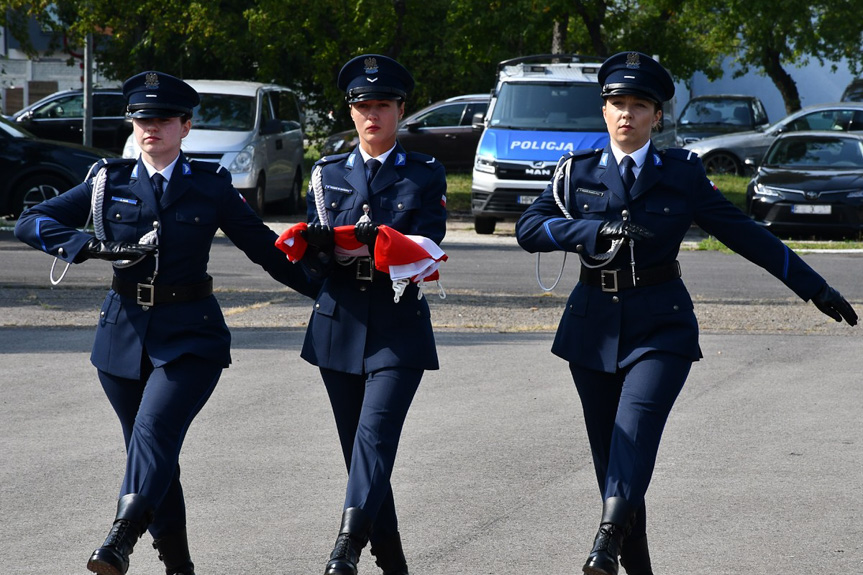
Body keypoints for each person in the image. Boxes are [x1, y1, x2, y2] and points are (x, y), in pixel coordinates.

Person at [515, 51, 857, 575]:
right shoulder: (575, 171)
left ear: (658, 116)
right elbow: (528, 229)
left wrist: (814, 286)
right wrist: (591, 231)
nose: (626, 114)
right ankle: (631, 562)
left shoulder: (683, 173)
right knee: (614, 461)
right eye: (616, 103)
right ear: (604, 111)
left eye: (638, 105)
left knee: (635, 432)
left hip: (660, 326)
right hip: (591, 329)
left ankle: (605, 540)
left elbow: (746, 235)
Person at [14, 71, 318, 575]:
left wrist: (327, 293)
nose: (149, 127)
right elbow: (31, 220)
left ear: (185, 126)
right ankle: (179, 567)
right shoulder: (107, 180)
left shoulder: (211, 185)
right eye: (141, 118)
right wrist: (87, 245)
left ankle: (119, 537)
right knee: (155, 456)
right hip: (121, 337)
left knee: (154, 433)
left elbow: (266, 250)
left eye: (161, 119)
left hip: (190, 335)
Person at [296, 54, 446, 575]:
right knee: (361, 455)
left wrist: (380, 246)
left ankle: (346, 548)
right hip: (338, 323)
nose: (372, 115)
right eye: (363, 105)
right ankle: (394, 562)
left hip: (397, 322)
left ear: (401, 110)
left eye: (382, 105)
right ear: (352, 111)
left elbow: (430, 244)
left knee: (375, 439)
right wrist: (320, 248)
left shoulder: (424, 173)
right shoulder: (327, 173)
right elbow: (310, 256)